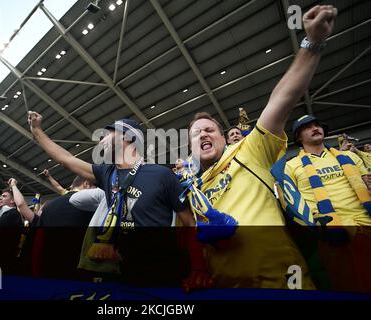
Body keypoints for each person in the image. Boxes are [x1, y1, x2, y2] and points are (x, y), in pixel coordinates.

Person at [181, 5, 338, 289]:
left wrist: (312, 43)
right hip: (222, 286)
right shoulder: (191, 188)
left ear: (221, 136)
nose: (203, 135)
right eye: (195, 133)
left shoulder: (249, 150)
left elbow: (281, 99)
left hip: (280, 280)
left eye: (209, 130)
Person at [28, 115, 209, 289]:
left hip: (163, 274)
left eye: (107, 135)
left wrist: (198, 268)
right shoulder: (108, 174)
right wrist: (37, 131)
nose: (101, 141)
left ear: (128, 137)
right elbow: (65, 159)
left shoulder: (162, 175)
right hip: (123, 273)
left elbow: (190, 224)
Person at [285, 115, 371, 292]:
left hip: (366, 223)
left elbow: (367, 183)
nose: (315, 128)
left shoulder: (350, 157)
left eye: (317, 125)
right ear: (298, 137)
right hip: (332, 234)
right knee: (349, 287)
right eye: (307, 127)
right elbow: (292, 204)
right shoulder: (291, 166)